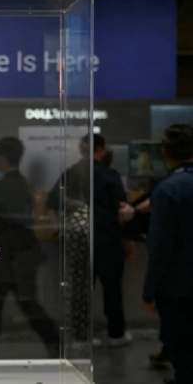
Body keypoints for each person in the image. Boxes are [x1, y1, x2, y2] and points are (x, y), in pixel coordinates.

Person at [47, 134, 135, 347]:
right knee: (112, 289)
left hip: (79, 237)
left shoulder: (71, 173)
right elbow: (122, 209)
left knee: (80, 289)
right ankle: (116, 334)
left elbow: (52, 201)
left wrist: (61, 226)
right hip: (107, 238)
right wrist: (128, 239)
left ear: (81, 149)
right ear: (101, 149)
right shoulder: (109, 175)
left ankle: (81, 337)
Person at [0, 137, 59, 359]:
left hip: (2, 254)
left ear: (2, 157)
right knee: (28, 302)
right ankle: (54, 343)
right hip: (24, 252)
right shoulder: (25, 185)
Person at [143, 124, 193, 384]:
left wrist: (149, 290)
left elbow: (160, 247)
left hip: (177, 288)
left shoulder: (168, 190)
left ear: (165, 153)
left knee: (182, 351)